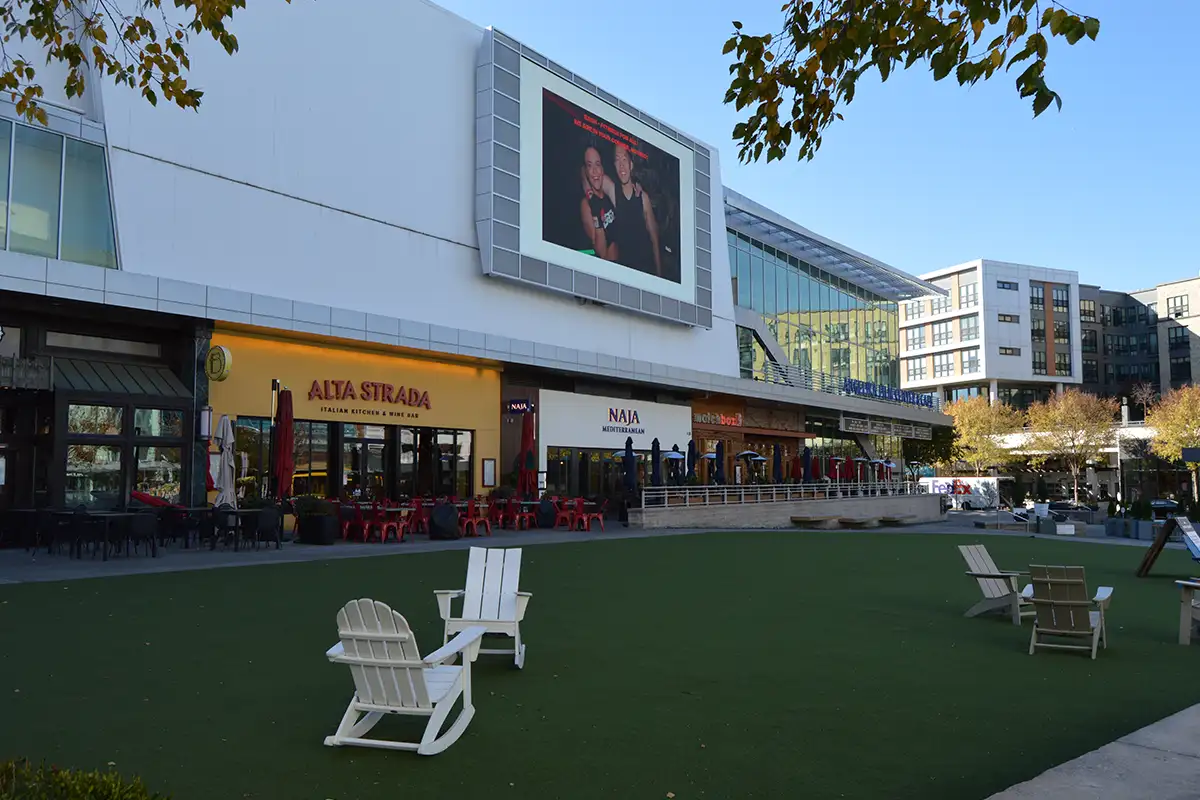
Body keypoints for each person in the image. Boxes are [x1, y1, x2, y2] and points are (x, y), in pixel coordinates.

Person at [608, 142, 662, 276]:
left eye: (625, 159)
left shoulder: (643, 198)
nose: (621, 165)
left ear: (631, 164)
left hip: (646, 270)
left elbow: (654, 239)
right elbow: (586, 171)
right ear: (614, 166)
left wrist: (660, 276)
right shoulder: (612, 191)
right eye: (617, 160)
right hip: (625, 274)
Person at [578, 146, 617, 260]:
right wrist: (595, 210)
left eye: (597, 164)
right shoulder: (586, 205)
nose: (594, 171)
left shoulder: (608, 192)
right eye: (589, 165)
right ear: (585, 170)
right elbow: (601, 253)